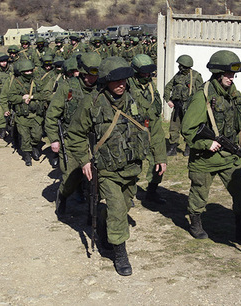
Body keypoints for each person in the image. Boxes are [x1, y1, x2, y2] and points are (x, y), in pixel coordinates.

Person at [66, 56, 167, 276]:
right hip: (107, 170)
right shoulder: (91, 103)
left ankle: (104, 225)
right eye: (115, 80)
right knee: (117, 210)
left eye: (124, 79)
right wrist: (84, 159)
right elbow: (75, 134)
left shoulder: (137, 100)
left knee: (126, 205)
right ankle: (119, 253)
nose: (121, 84)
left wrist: (160, 156)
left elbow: (155, 127)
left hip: (131, 168)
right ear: (105, 81)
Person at [181, 50, 241, 241]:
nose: (232, 78)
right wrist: (207, 143)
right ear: (217, 73)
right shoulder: (203, 96)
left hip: (230, 155)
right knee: (199, 193)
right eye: (228, 74)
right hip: (205, 158)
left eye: (234, 75)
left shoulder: (234, 95)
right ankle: (196, 224)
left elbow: (237, 125)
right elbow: (188, 128)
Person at [45, 52, 102, 217]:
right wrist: (54, 139)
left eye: (97, 74)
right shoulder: (67, 87)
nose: (93, 78)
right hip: (71, 139)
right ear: (82, 73)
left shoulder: (101, 89)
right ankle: (62, 195)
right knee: (72, 176)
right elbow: (52, 115)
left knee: (96, 178)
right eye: (90, 74)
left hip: (95, 139)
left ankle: (93, 212)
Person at [127, 54, 167, 204]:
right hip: (132, 130)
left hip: (152, 126)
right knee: (130, 163)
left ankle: (152, 191)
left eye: (148, 72)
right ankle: (127, 194)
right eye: (143, 72)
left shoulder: (150, 85)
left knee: (159, 160)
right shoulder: (128, 85)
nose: (146, 75)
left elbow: (154, 108)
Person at [0, 59, 51, 166]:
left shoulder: (37, 81)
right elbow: (10, 97)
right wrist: (21, 98)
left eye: (30, 71)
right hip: (22, 116)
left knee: (37, 135)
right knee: (24, 137)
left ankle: (34, 146)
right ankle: (27, 154)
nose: (28, 73)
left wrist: (32, 97)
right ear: (22, 72)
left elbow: (44, 95)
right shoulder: (16, 82)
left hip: (36, 115)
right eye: (26, 71)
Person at [164, 55, 203, 156]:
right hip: (177, 106)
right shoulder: (178, 75)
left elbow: (200, 92)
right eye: (179, 65)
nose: (180, 68)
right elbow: (168, 86)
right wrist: (168, 99)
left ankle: (189, 148)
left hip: (189, 107)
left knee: (189, 127)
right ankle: (172, 148)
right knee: (174, 127)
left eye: (181, 66)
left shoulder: (196, 76)